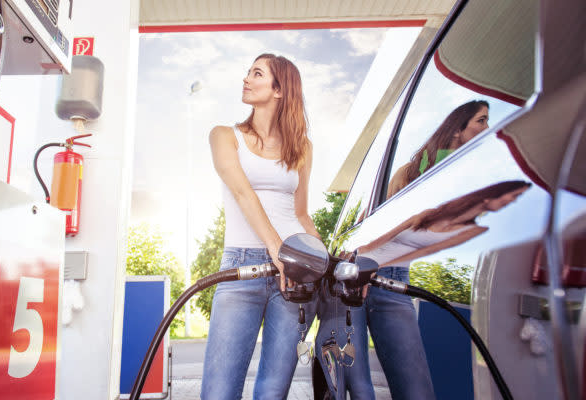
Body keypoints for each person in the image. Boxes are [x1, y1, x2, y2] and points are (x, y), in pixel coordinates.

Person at [315, 180, 530, 400]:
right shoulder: (427, 213)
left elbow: (424, 252)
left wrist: (376, 269)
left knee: (415, 386)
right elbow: (385, 237)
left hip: (394, 281)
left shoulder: (476, 229)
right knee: (355, 380)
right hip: (355, 275)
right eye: (512, 197)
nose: (512, 202)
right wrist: (360, 259)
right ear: (493, 194)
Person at [201, 53, 321, 399]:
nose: (246, 79)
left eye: (256, 74)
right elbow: (242, 192)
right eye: (248, 73)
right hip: (242, 267)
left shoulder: (302, 148)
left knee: (273, 391)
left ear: (280, 89)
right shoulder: (225, 136)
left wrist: (323, 262)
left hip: (295, 271)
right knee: (219, 392)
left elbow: (301, 214)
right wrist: (276, 248)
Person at [387, 100, 490, 198]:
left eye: (487, 121)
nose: (487, 128)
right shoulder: (406, 174)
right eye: (481, 121)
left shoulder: (478, 170)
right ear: (457, 130)